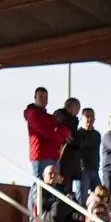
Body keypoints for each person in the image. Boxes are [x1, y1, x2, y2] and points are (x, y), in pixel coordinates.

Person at [24, 87, 68, 215]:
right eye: (40, 97)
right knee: (37, 185)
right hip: (39, 155)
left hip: (53, 155)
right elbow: (46, 132)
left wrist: (56, 134)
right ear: (35, 98)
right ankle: (33, 217)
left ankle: (48, 216)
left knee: (54, 186)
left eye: (45, 97)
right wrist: (57, 135)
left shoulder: (50, 117)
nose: (43, 100)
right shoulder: (33, 115)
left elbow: (64, 130)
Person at [73, 108, 102, 203]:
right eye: (87, 116)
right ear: (82, 118)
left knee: (101, 196)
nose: (89, 119)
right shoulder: (78, 134)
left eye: (92, 117)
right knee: (82, 198)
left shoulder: (96, 134)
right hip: (82, 169)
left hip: (95, 169)